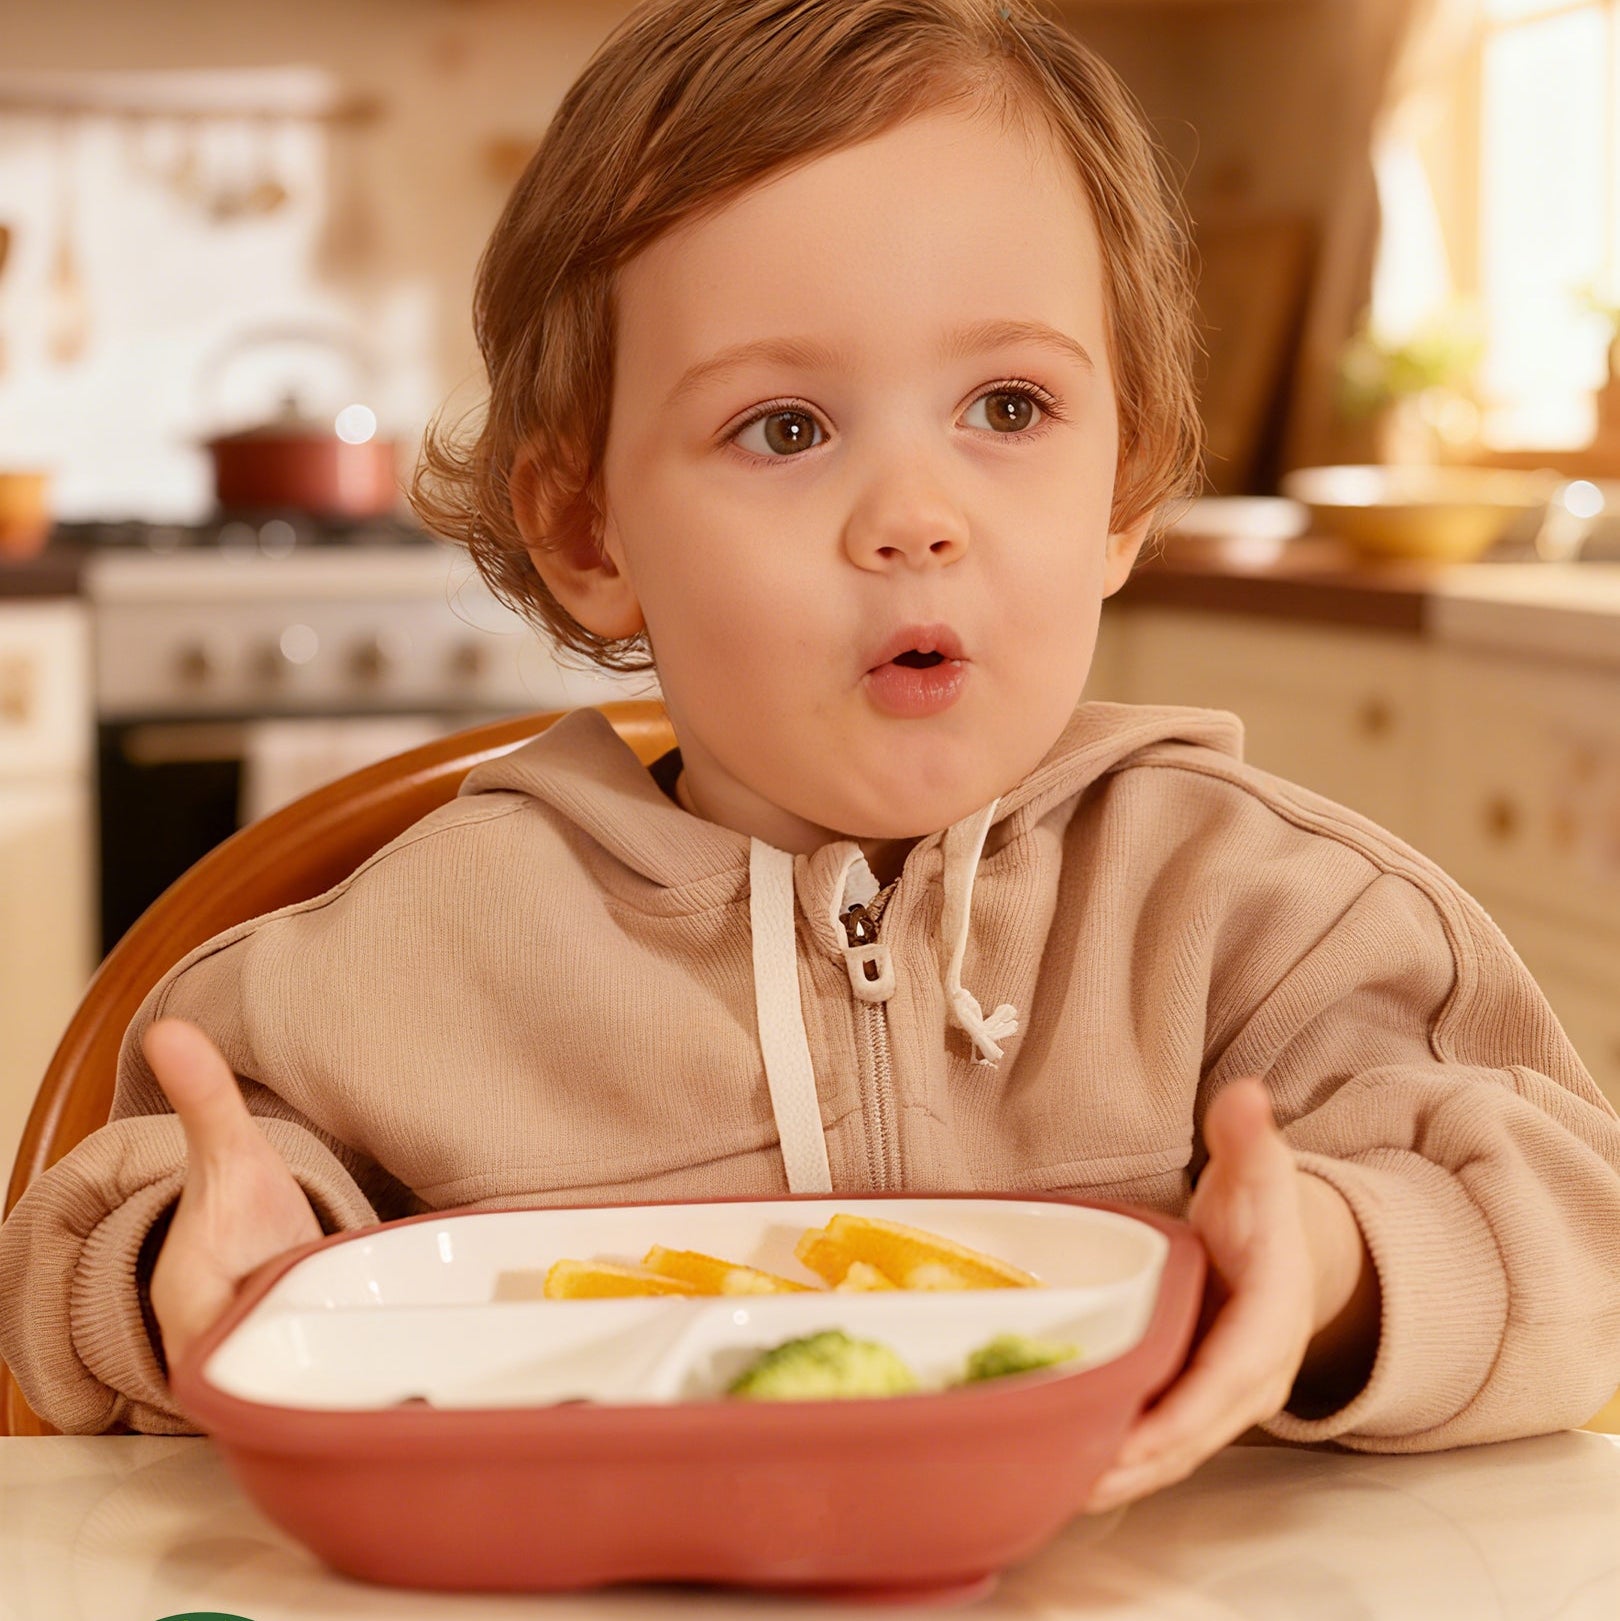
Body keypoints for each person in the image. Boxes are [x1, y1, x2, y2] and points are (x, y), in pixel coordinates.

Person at [4, 0, 1619, 1516]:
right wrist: (187, 1273)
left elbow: (1579, 1232)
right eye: (786, 428)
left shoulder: (1263, 919)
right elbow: (86, 1256)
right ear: (589, 530)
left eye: (1007, 404)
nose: (917, 514)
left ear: (1123, 483)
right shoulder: (412, 956)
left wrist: (1337, 1264)